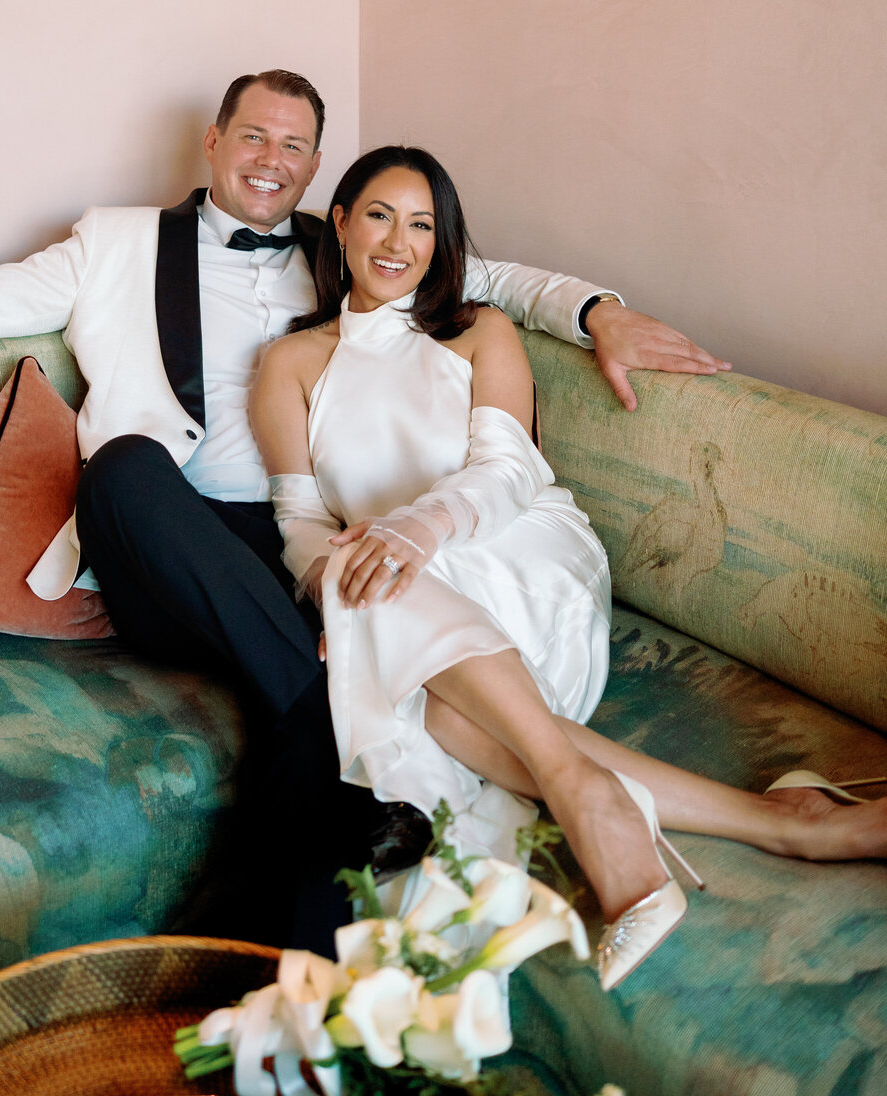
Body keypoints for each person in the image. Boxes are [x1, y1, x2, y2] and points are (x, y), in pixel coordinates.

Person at [0, 70, 730, 955]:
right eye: (255, 136)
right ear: (215, 142)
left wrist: (599, 312)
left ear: (316, 170)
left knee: (310, 730)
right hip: (169, 536)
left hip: (297, 541)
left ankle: (301, 996)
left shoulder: (348, 245)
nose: (272, 159)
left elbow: (481, 273)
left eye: (296, 146)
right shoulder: (112, 244)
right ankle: (336, 706)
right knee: (126, 466)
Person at [250, 144, 887, 986]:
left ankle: (593, 793)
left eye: (422, 224)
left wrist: (416, 529)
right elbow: (299, 520)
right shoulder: (290, 362)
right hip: (403, 580)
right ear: (339, 222)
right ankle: (759, 819)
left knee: (391, 625)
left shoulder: (478, 329)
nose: (399, 242)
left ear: (442, 241)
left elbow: (507, 472)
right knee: (404, 654)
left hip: (518, 551)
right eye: (379, 216)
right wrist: (333, 586)